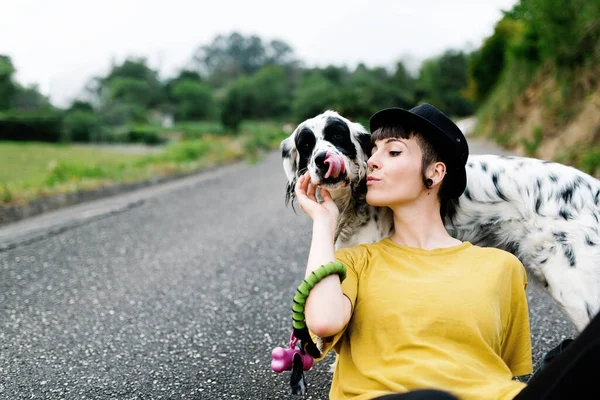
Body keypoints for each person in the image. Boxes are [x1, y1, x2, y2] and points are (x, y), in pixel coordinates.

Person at [293, 103, 600, 400]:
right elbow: (322, 323)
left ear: (436, 173)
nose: (372, 161)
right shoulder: (357, 259)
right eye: (373, 151)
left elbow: (502, 366)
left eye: (394, 151)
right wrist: (323, 221)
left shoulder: (499, 265)